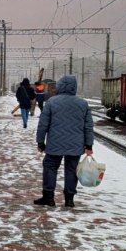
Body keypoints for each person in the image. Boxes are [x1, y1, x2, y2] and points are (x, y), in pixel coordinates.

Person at [34, 74, 94, 209]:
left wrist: (40, 142)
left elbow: (43, 124)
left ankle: (49, 198)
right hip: (76, 144)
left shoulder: (51, 102)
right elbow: (88, 126)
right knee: (72, 170)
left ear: (60, 86)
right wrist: (89, 144)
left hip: (54, 144)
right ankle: (69, 200)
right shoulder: (83, 104)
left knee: (50, 167)